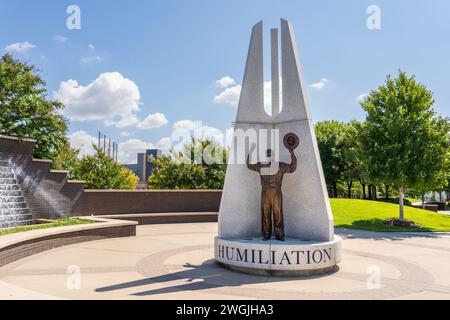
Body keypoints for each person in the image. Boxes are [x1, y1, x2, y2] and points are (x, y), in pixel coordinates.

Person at [246, 143, 297, 241]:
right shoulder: (261, 165)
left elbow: (292, 168)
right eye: (267, 155)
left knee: (277, 212)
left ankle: (279, 235)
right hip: (265, 192)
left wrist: (292, 153)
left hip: (276, 191)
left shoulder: (280, 165)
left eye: (270, 155)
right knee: (265, 213)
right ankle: (266, 234)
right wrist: (250, 152)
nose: (269, 157)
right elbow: (249, 165)